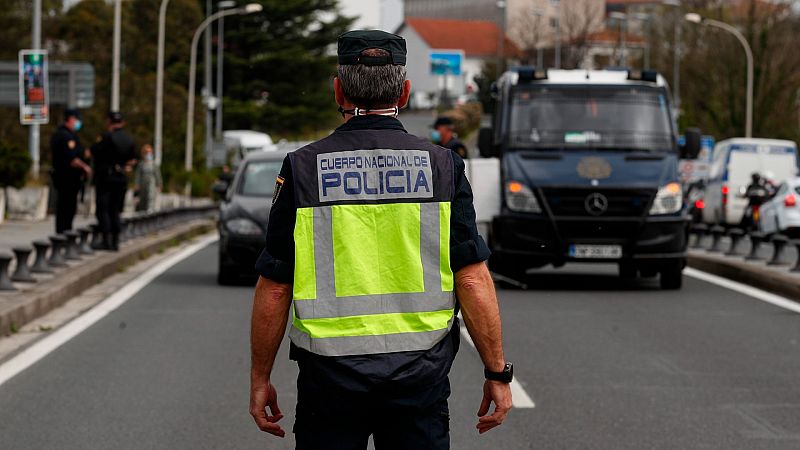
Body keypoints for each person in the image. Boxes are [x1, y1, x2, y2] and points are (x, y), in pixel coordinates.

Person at [249, 30, 512, 450]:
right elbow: (472, 280)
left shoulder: (302, 168)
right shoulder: (443, 166)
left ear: (338, 89)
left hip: (329, 381)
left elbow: (276, 286)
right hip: (419, 379)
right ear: (405, 92)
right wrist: (496, 373)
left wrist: (260, 378)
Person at [91, 111, 136, 251]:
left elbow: (93, 152)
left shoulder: (106, 137)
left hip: (105, 178)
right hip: (121, 178)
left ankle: (106, 240)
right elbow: (133, 159)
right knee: (116, 210)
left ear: (109, 122)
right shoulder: (129, 139)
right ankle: (116, 241)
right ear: (122, 122)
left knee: (103, 210)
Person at [50, 108, 92, 234]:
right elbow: (71, 158)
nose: (78, 123)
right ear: (71, 119)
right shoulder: (65, 136)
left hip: (69, 178)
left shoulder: (68, 135)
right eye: (77, 120)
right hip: (66, 178)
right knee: (66, 207)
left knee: (68, 207)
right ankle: (63, 233)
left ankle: (65, 231)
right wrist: (85, 167)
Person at [134, 144, 162, 213]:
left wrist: (159, 184)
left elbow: (157, 174)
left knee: (151, 196)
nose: (148, 154)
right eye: (146, 152)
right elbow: (138, 176)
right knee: (143, 199)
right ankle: (142, 212)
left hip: (151, 182)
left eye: (150, 152)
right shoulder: (141, 164)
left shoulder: (153, 164)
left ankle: (150, 210)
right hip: (142, 184)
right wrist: (136, 185)